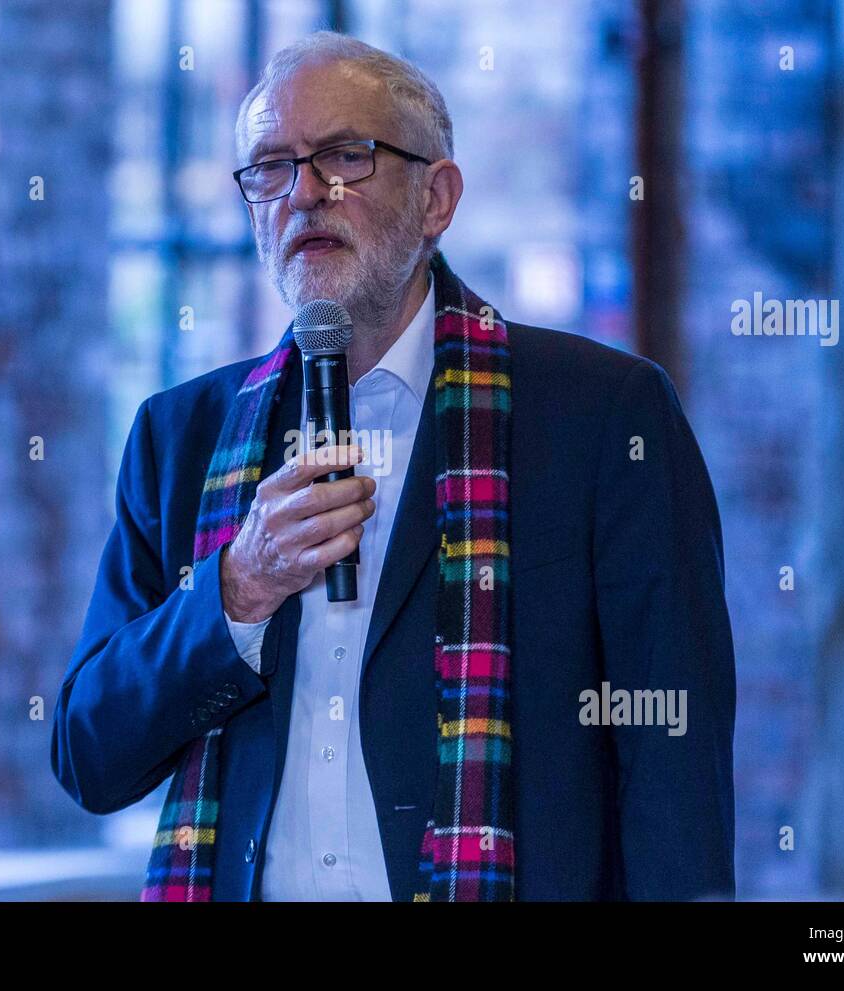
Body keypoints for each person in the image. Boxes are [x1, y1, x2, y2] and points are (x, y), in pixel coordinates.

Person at [51, 31, 736, 902]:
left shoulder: (604, 415)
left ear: (436, 197)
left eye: (344, 156)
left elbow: (674, 763)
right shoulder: (179, 436)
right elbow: (88, 755)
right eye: (270, 167)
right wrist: (235, 590)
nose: (304, 193)